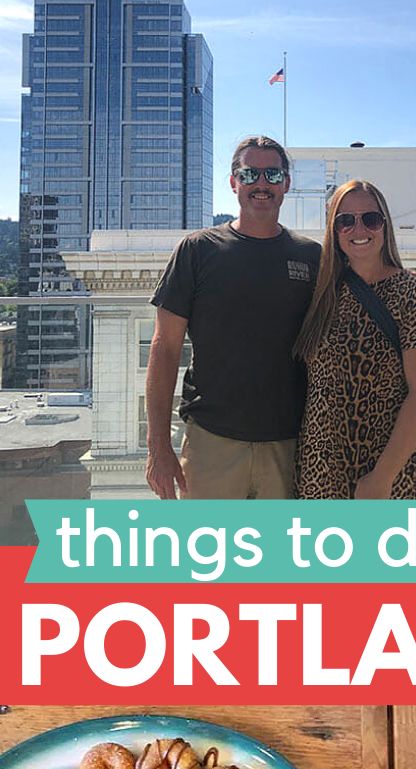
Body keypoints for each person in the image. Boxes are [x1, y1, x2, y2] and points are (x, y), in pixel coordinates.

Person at [145, 136, 321, 500]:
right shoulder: (197, 251)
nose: (261, 183)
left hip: (290, 445)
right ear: (233, 182)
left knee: (284, 554)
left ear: (286, 183)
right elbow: (164, 349)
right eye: (250, 173)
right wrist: (158, 448)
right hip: (212, 443)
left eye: (272, 174)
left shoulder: (311, 257)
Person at [294, 180, 416, 499]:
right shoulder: (323, 294)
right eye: (345, 220)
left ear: (385, 225)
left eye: (370, 218)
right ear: (333, 231)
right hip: (321, 468)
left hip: (391, 471)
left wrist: (383, 476)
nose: (358, 228)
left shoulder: (412, 294)